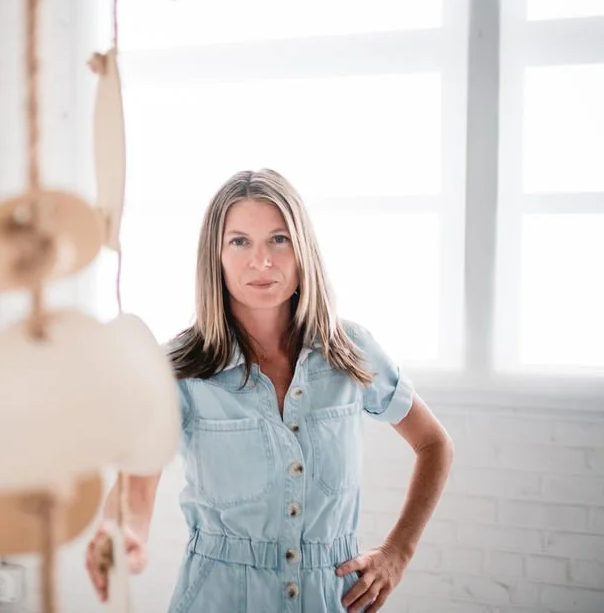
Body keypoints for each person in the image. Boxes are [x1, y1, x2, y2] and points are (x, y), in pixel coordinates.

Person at [85, 169, 454, 612]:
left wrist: (398, 552)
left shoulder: (351, 352)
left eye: (278, 240)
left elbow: (434, 444)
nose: (261, 262)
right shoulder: (177, 370)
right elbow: (136, 489)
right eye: (239, 241)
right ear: (216, 257)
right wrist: (122, 533)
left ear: (302, 250)